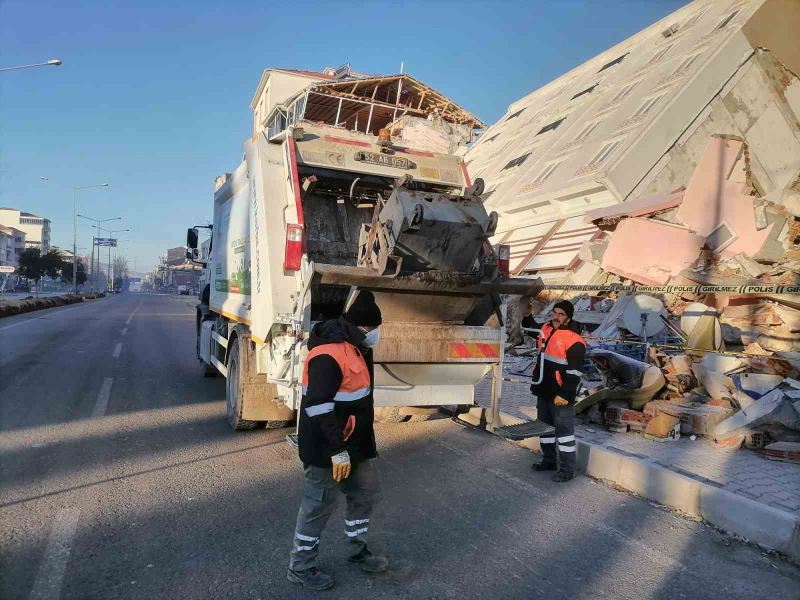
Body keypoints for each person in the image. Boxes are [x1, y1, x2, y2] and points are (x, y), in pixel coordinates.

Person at [287, 290, 388, 591]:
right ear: (361, 327)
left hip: (354, 445)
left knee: (364, 492)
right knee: (318, 503)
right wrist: (337, 451)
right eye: (373, 329)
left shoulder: (357, 347)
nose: (376, 335)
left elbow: (358, 400)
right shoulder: (328, 353)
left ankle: (357, 551)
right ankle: (301, 568)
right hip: (326, 447)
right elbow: (317, 404)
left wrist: (358, 446)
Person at [530, 300, 586, 482]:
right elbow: (530, 328)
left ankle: (567, 470)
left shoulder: (575, 341)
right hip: (544, 389)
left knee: (564, 433)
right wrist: (525, 314)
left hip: (561, 394)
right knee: (545, 429)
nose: (556, 317)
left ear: (568, 318)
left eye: (561, 314)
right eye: (554, 312)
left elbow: (574, 373)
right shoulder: (546, 329)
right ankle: (549, 460)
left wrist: (564, 393)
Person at [575, 349, 666, 414]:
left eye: (597, 361)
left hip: (649, 375)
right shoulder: (603, 365)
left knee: (617, 400)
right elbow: (607, 382)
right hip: (634, 377)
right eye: (594, 362)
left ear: (604, 360)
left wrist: (609, 393)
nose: (595, 364)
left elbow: (629, 386)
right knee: (602, 393)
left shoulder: (623, 366)